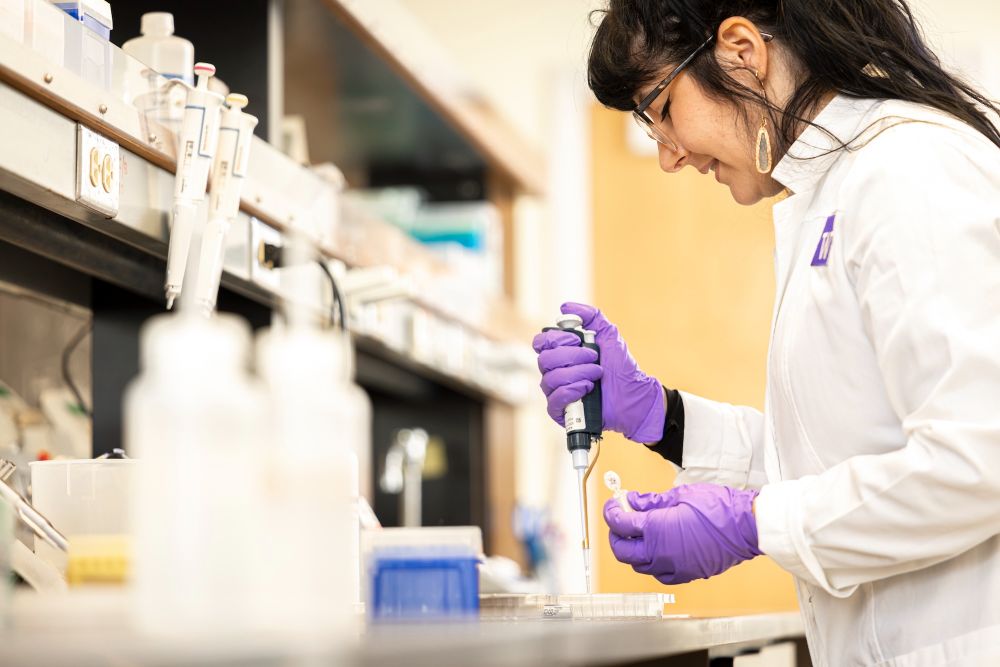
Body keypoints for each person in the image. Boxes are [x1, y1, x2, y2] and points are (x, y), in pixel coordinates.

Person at [531, 1, 1000, 665]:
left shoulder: (907, 170)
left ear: (743, 50)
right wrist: (660, 415)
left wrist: (755, 523)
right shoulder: (831, 188)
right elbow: (830, 457)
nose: (667, 156)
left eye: (660, 109)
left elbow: (980, 459)